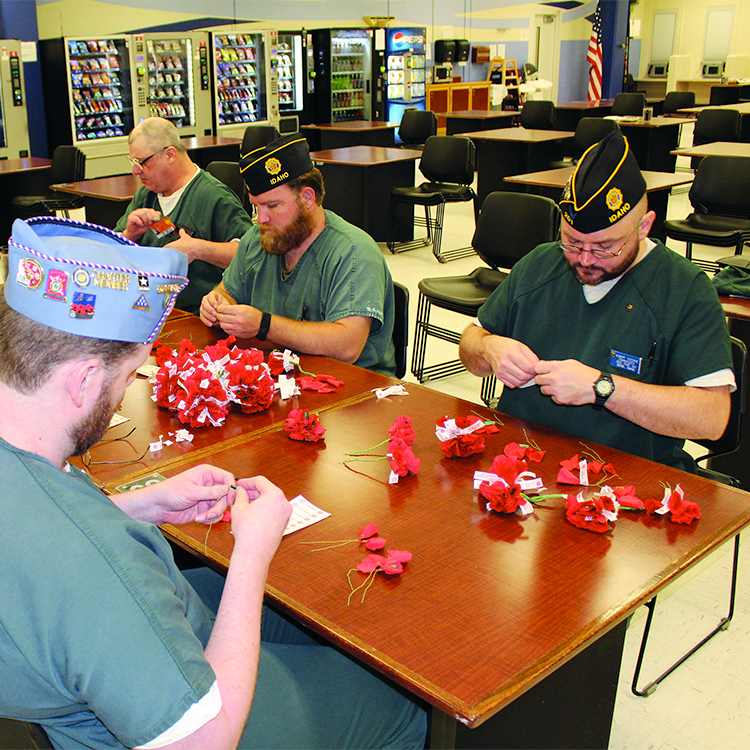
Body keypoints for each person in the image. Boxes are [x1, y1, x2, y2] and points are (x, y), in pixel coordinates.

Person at [0, 216, 426, 750]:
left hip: (102, 653)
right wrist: (252, 551)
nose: (123, 393)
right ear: (84, 379)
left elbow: (52, 516)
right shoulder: (96, 566)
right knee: (400, 701)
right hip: (185, 718)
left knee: (334, 627)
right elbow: (205, 740)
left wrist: (145, 504)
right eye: (128, 376)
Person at [459, 130, 734, 472]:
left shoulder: (683, 289)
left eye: (605, 246)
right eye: (572, 242)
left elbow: (711, 418)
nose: (585, 259)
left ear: (645, 226)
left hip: (625, 476)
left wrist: (601, 387)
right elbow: (471, 343)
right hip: (523, 461)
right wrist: (489, 348)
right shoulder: (540, 264)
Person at [199, 133, 396, 376]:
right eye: (255, 206)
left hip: (353, 385)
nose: (261, 219)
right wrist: (217, 303)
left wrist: (264, 325)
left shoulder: (354, 252)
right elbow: (227, 291)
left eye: (272, 206)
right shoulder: (259, 237)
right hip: (282, 375)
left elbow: (347, 346)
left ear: (307, 198)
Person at [114, 117, 253, 316]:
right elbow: (112, 251)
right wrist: (129, 234)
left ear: (170, 154)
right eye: (133, 162)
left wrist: (198, 249)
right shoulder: (147, 195)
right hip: (147, 308)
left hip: (194, 317)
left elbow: (251, 256)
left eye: (142, 162)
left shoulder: (214, 197)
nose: (135, 171)